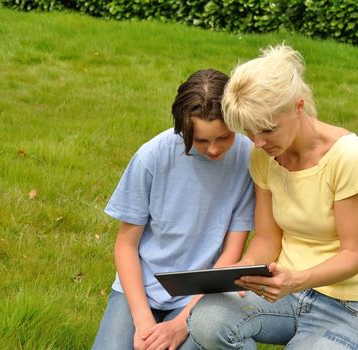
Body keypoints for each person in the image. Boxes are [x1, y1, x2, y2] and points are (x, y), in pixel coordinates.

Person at [187, 45, 358, 349]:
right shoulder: (264, 155)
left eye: (267, 129)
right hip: (282, 293)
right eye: (250, 131)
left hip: (346, 306)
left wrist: (297, 279)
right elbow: (268, 237)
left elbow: (353, 255)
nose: (258, 141)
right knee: (207, 320)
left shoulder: (348, 157)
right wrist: (245, 270)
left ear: (299, 106)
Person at [92, 69, 255, 350]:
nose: (215, 149)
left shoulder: (247, 158)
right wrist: (143, 322)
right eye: (202, 140)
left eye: (224, 137)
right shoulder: (151, 157)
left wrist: (181, 325)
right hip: (142, 286)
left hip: (205, 290)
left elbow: (231, 253)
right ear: (182, 128)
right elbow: (126, 246)